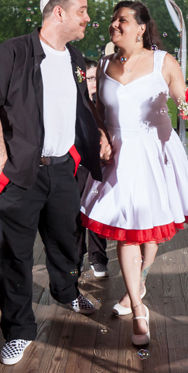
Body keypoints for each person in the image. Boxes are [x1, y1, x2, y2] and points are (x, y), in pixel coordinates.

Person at [0, 0, 108, 365]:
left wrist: (96, 134)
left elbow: (80, 106)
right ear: (59, 13)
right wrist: (3, 162)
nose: (88, 17)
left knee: (65, 241)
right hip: (21, 173)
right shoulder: (14, 51)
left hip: (63, 169)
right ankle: (19, 331)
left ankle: (66, 290)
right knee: (16, 257)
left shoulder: (74, 56)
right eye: (82, 10)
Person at [81, 0, 188, 348]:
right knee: (128, 233)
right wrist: (102, 134)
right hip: (118, 155)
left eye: (122, 21)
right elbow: (97, 108)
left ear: (141, 28)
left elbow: (184, 103)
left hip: (155, 152)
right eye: (112, 20)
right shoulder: (104, 63)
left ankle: (140, 279)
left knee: (150, 233)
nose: (113, 25)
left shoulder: (164, 62)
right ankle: (137, 307)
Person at [76, 57, 109, 277]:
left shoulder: (107, 101)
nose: (94, 83)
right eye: (89, 78)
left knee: (98, 207)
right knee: (76, 209)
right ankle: (76, 257)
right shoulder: (76, 102)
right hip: (79, 160)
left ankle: (98, 258)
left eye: (96, 78)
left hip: (101, 160)